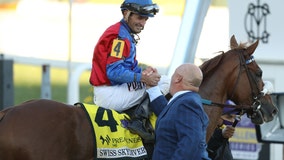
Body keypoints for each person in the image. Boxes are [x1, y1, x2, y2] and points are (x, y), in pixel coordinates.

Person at [89, 0, 165, 112]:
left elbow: (126, 67)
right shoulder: (120, 37)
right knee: (165, 83)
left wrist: (143, 73)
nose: (143, 23)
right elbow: (113, 72)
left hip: (114, 90)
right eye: (140, 17)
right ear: (126, 14)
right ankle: (147, 121)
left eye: (146, 19)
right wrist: (144, 78)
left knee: (159, 80)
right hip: (110, 94)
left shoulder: (122, 31)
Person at [146, 63, 210, 160]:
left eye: (173, 74)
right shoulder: (185, 101)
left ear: (178, 79)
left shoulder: (187, 103)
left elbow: (191, 144)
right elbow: (167, 116)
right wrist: (152, 87)